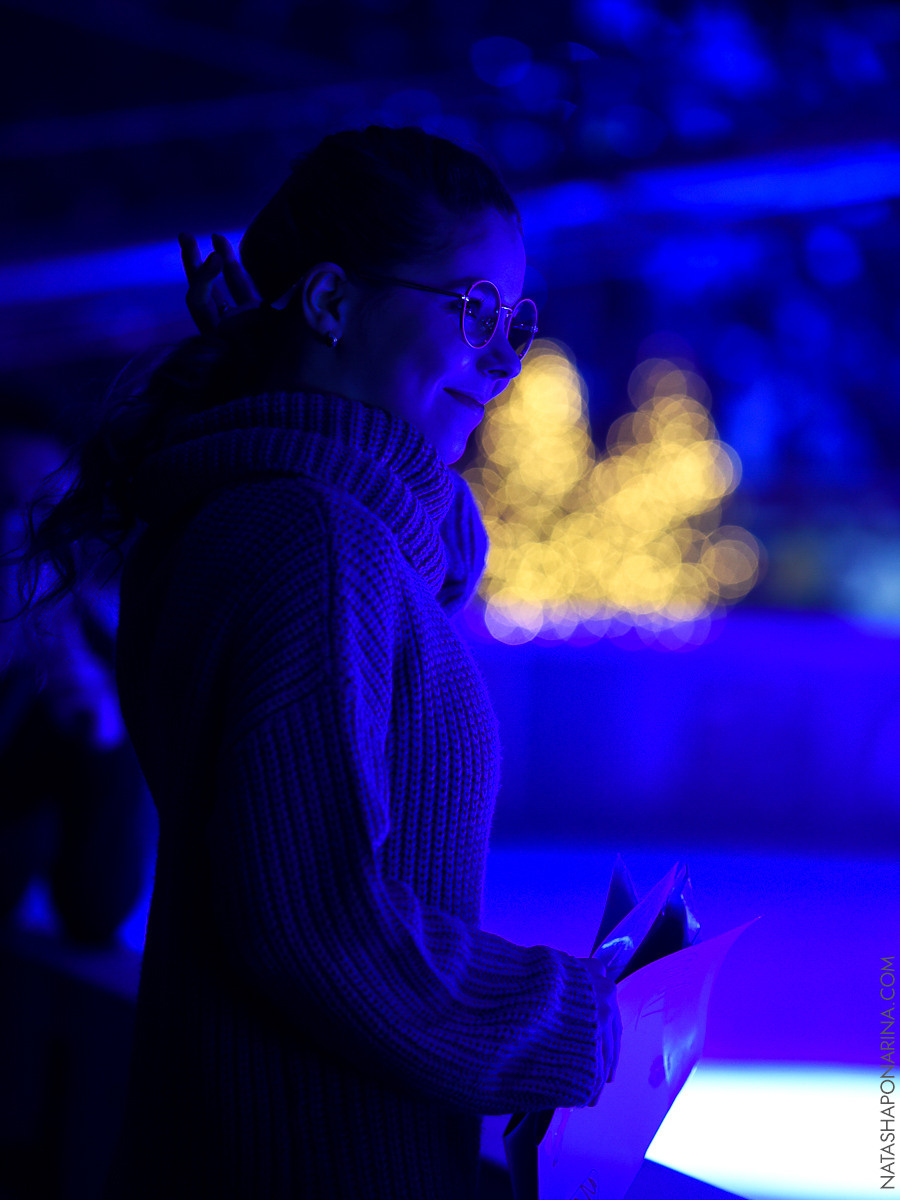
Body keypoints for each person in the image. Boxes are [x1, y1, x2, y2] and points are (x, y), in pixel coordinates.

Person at [8, 125, 621, 1199]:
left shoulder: (258, 514)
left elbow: (291, 901)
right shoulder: (312, 539)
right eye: (470, 309)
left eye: (514, 322)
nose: (501, 358)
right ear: (333, 305)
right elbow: (313, 924)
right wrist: (573, 1016)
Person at [0, 396, 150, 946]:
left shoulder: (95, 664)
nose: (17, 532)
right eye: (1, 500)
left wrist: (103, 740)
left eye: (43, 512)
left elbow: (96, 909)